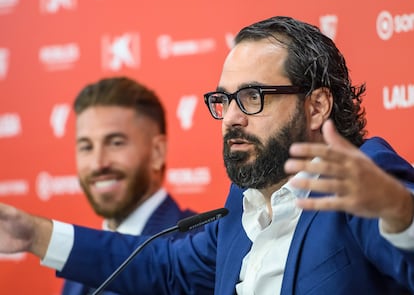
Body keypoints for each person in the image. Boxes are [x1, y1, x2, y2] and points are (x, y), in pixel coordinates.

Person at [1, 16, 414, 294]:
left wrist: (399, 211)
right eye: (223, 99)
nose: (231, 117)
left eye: (252, 96)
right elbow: (161, 266)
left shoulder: (366, 177)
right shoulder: (241, 208)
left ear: (317, 106)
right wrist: (34, 235)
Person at [59, 77, 198, 295]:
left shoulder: (196, 248)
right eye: (86, 147)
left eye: (115, 143)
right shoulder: (78, 260)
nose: (98, 163)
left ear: (157, 152)